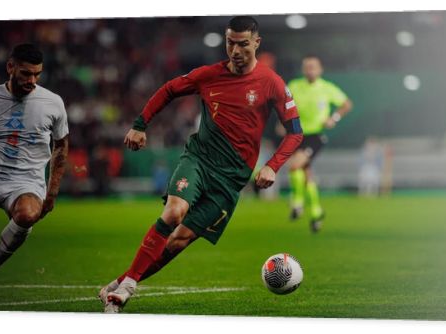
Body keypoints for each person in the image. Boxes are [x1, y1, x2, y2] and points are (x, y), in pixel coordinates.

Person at [99, 16, 303, 313]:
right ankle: (127, 289)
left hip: (230, 181)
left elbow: (296, 132)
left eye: (243, 44)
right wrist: (140, 124)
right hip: (199, 160)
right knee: (174, 212)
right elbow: (169, 89)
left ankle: (116, 285)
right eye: (230, 42)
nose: (235, 50)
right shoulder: (209, 75)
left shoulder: (271, 83)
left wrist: (272, 165)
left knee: (178, 242)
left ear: (256, 43)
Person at [0, 44, 69, 280]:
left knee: (28, 214)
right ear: (10, 67)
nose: (32, 80)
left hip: (26, 180)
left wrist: (52, 193)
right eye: (26, 73)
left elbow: (61, 146)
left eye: (37, 74)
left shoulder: (53, 102)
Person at [287, 56, 352, 232]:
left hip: (316, 136)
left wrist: (334, 118)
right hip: (296, 135)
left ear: (320, 69)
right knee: (306, 173)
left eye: (313, 67)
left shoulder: (326, 88)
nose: (310, 70)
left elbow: (346, 104)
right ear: (303, 70)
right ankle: (316, 212)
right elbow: (284, 106)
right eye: (307, 67)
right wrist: (281, 122)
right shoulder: (294, 86)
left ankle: (298, 203)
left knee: (294, 167)